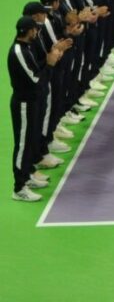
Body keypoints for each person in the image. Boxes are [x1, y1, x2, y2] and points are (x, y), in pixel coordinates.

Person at [10, 16, 72, 201]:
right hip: (24, 104)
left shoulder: (27, 47)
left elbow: (38, 70)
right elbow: (35, 80)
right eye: (34, 29)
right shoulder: (18, 51)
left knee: (32, 140)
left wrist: (52, 56)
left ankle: (28, 175)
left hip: (33, 102)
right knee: (23, 145)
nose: (37, 32)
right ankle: (19, 188)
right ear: (28, 31)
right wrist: (51, 63)